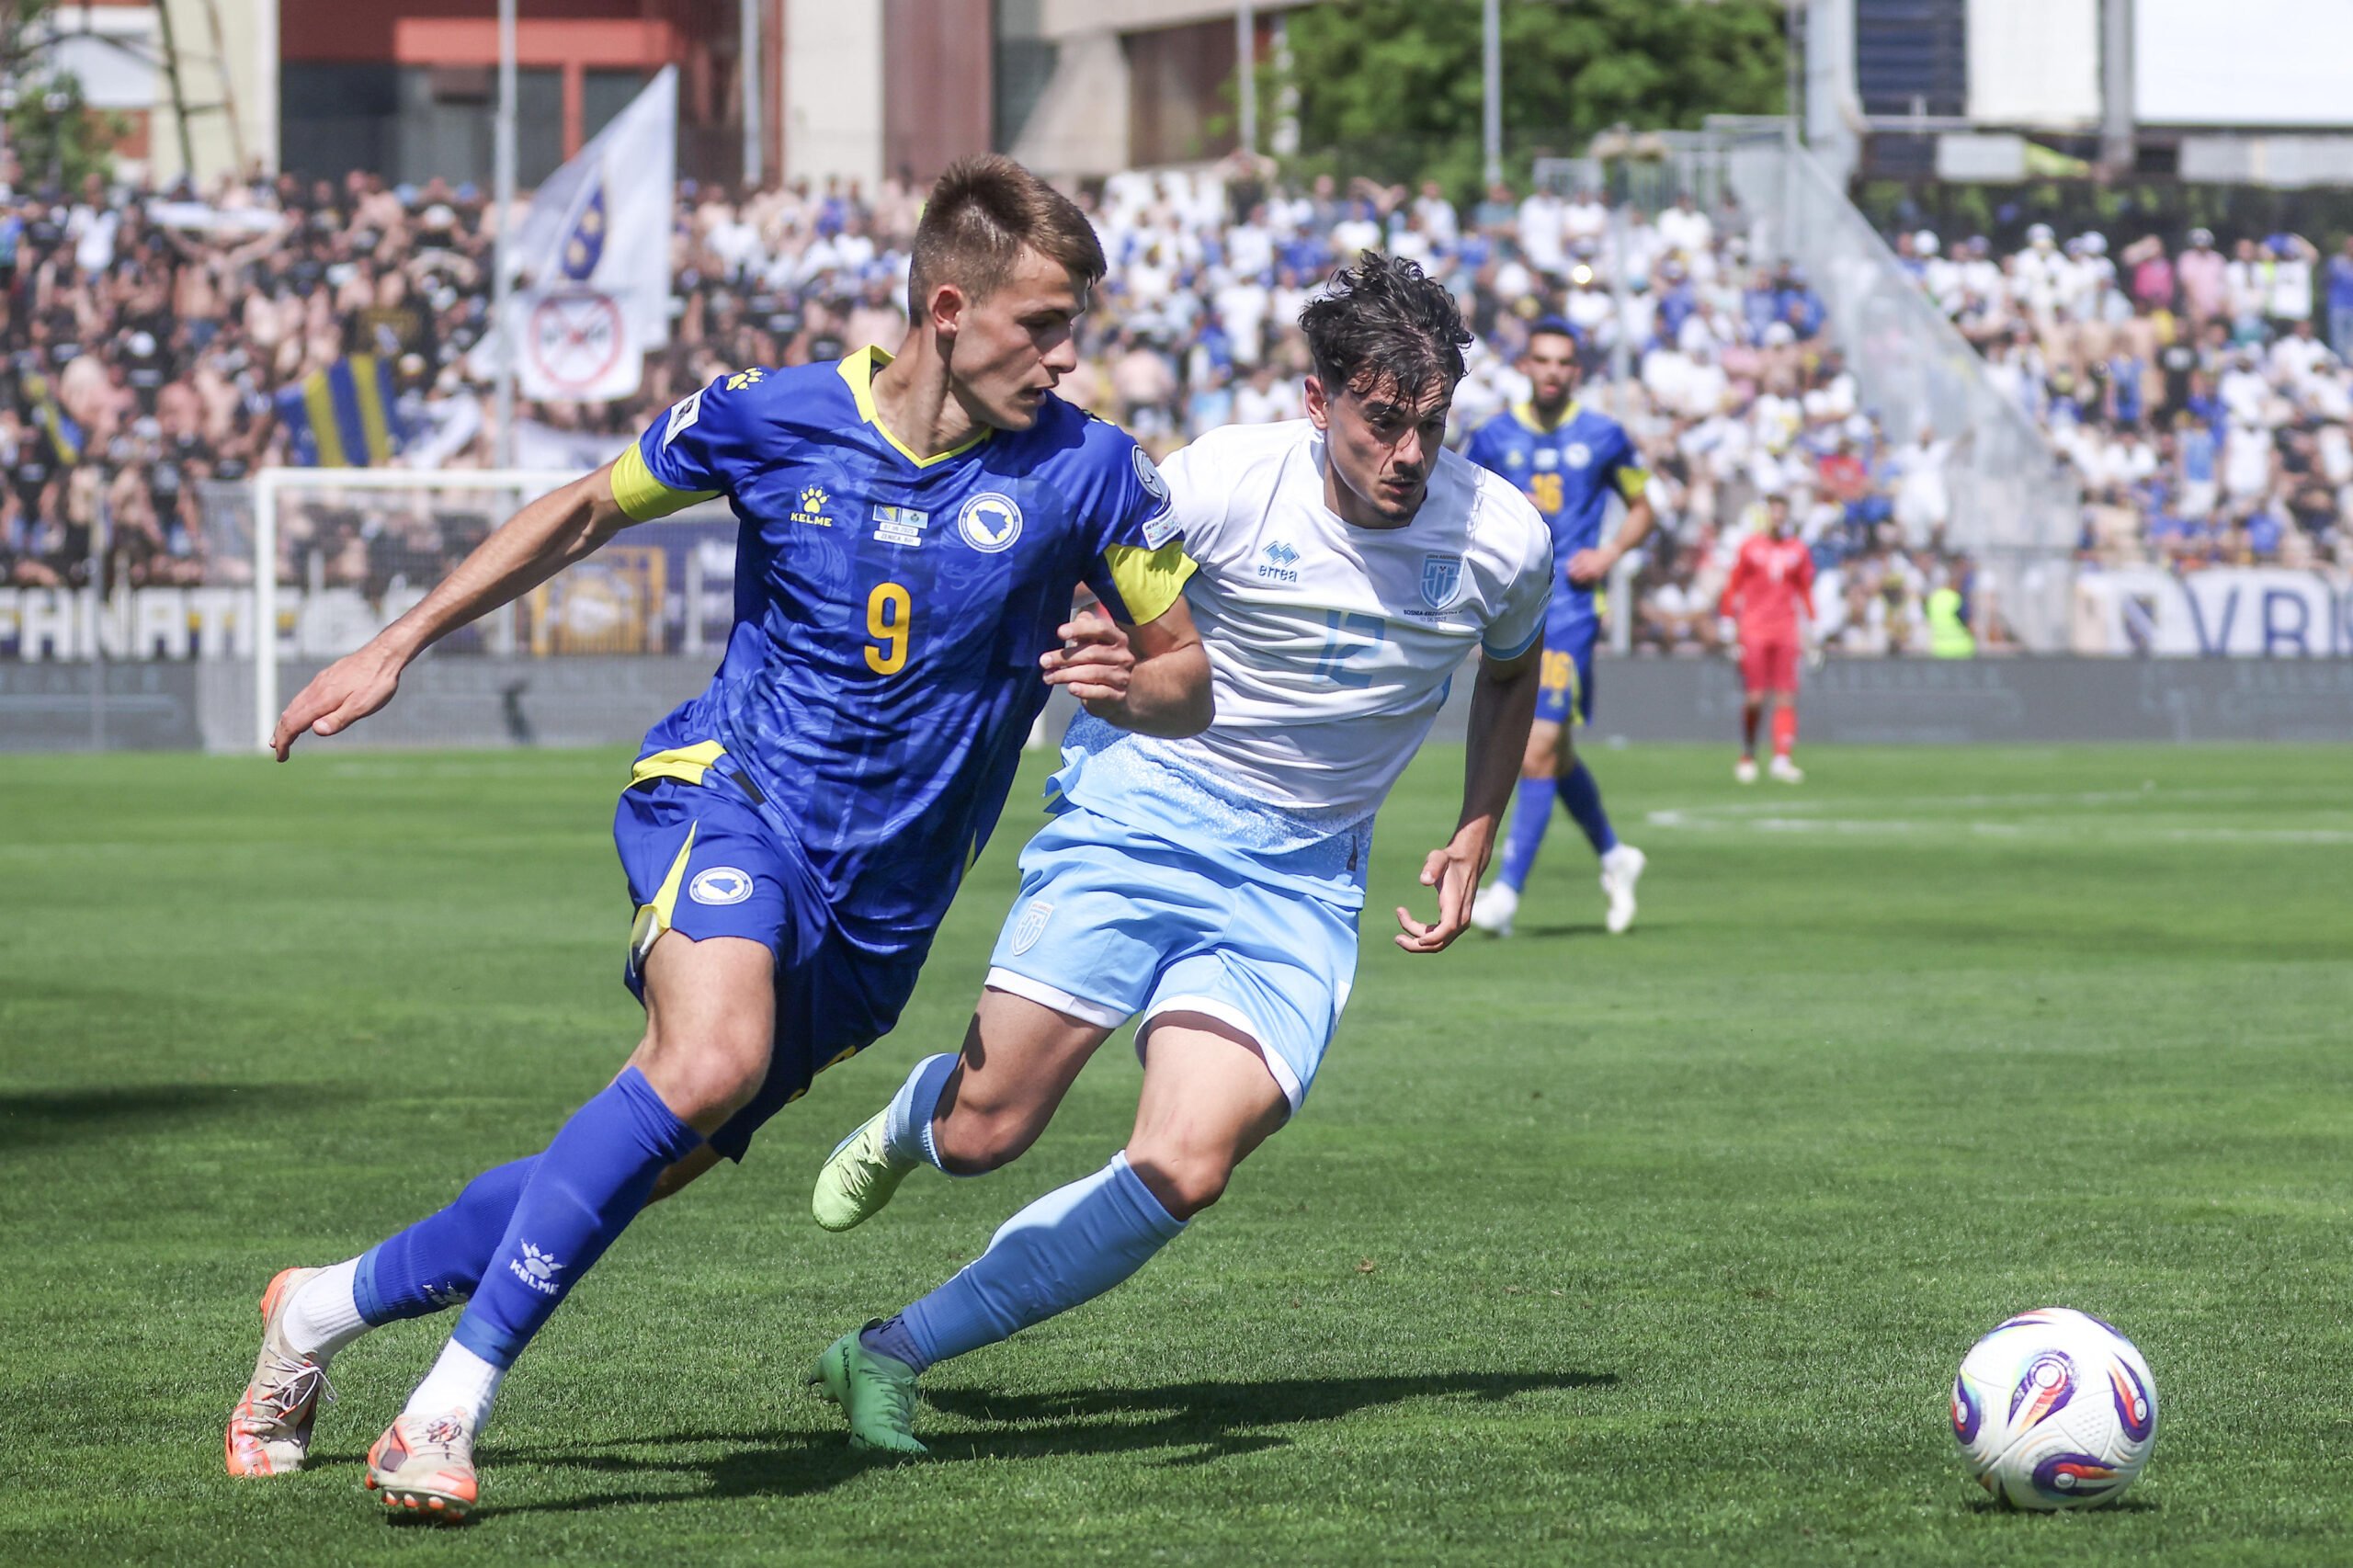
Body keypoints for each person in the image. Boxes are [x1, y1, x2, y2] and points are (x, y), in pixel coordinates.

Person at [222, 154, 1211, 1519]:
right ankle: (442, 1413)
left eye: (1075, 327)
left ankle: (321, 1303)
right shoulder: (773, 414)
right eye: (1042, 323)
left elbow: (1190, 676)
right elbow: (579, 509)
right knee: (706, 1056)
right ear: (945, 306)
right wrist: (400, 642)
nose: (1067, 354)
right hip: (728, 791)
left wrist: (1131, 686)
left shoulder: (1097, 474)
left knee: (650, 1152)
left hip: (880, 913)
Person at [799, 253, 1552, 1453]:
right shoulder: (1221, 483)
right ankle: (913, 1121)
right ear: (1321, 403)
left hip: (1303, 877)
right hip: (1144, 813)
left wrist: (1476, 824)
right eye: (1382, 421)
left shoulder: (1503, 538)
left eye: (1429, 425)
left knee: (1188, 1162)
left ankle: (889, 1350)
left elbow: (1513, 669)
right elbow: (1079, 572)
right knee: (987, 1133)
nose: (1407, 452)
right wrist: (1090, 639)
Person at [1460, 319, 1654, 939]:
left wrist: (1610, 553)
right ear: (1525, 365)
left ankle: (1507, 895)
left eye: (1563, 362)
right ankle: (1615, 855)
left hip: (1570, 612)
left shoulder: (1604, 436)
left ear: (1577, 372)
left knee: (1537, 748)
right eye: (1541, 359)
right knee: (1556, 754)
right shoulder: (1491, 437)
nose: (1551, 371)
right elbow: (1457, 506)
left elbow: (1644, 506)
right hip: (1512, 610)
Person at [1719, 493, 1817, 783]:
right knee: (1755, 697)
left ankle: (1782, 758)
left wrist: (1814, 625)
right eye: (1773, 511)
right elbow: (1733, 586)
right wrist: (1727, 622)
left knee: (1786, 695)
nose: (1777, 517)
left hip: (1785, 629)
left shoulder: (1797, 550)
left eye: (1781, 511)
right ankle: (1748, 752)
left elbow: (1804, 590)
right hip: (1754, 629)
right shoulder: (1750, 548)